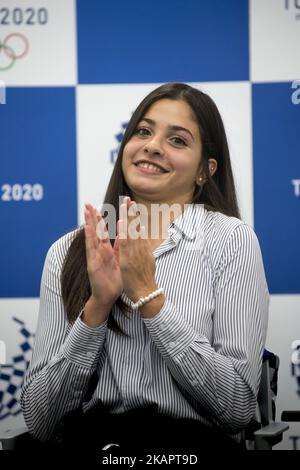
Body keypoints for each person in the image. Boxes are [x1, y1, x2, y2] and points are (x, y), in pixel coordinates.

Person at [21, 83, 269, 455]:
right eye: (143, 131)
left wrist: (149, 299)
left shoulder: (232, 241)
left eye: (178, 140)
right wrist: (98, 307)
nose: (153, 146)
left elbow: (235, 408)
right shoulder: (70, 251)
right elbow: (41, 422)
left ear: (205, 170)